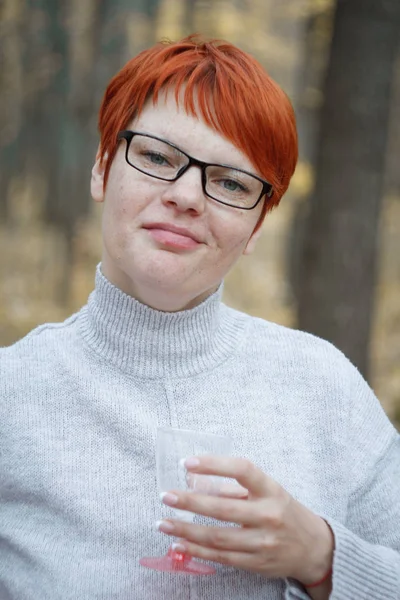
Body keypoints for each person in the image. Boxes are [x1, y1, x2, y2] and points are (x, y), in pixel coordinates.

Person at [0, 34, 399, 600]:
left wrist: (323, 557)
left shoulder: (322, 386)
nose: (188, 196)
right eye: (159, 158)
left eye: (230, 183)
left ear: (256, 228)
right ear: (102, 170)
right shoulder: (11, 395)